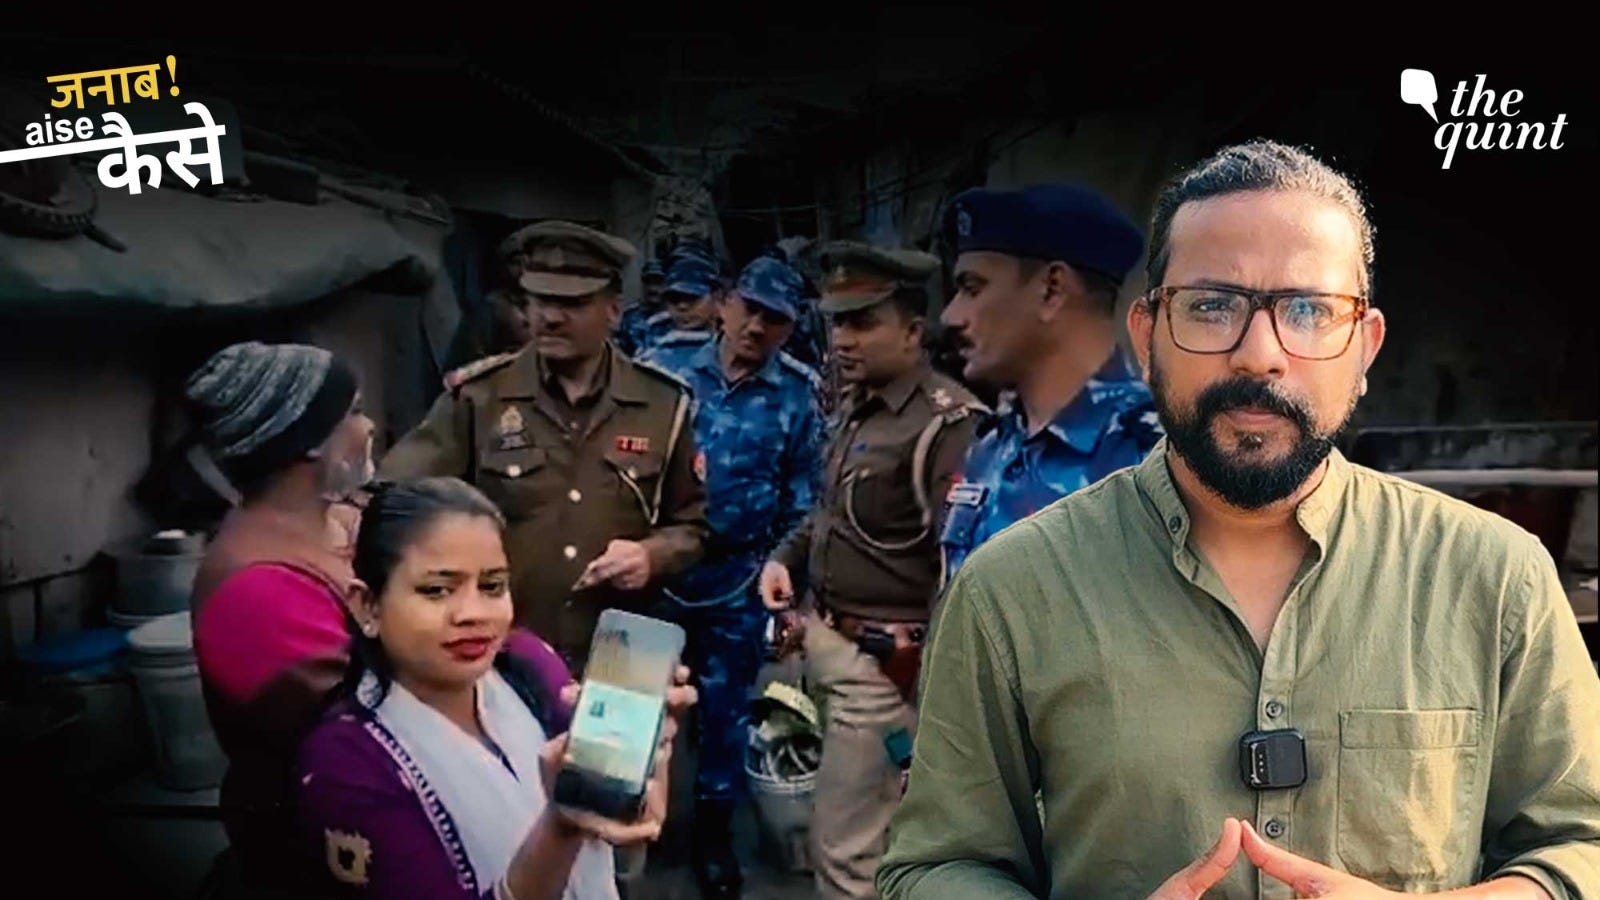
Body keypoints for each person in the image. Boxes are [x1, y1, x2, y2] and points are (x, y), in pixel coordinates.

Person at [880, 141, 1600, 899]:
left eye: (1310, 311)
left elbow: (1581, 844)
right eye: (1211, 306)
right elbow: (935, 865)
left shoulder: (1496, 577)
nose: (1260, 355)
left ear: (1364, 348)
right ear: (1147, 337)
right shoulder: (1011, 589)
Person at [296, 477, 697, 899]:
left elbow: (619, 847)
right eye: (436, 590)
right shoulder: (345, 762)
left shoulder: (527, 664)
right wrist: (559, 828)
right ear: (368, 606)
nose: (473, 613)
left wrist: (640, 767)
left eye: (492, 586)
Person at [379, 221, 709, 672]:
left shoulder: (662, 405)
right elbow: (394, 498)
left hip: (621, 653)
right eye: (539, 300)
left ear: (613, 311)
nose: (549, 317)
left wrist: (651, 555)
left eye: (572, 303)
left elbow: (692, 528)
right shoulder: (480, 398)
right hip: (502, 652)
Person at [758, 242, 983, 900]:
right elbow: (830, 513)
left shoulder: (947, 426)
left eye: (862, 323)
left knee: (849, 854)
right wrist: (784, 558)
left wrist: (939, 703)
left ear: (913, 331)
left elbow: (961, 572)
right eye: (836, 323)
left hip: (887, 673)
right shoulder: (855, 407)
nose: (842, 340)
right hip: (825, 643)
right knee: (829, 821)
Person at [639, 255, 825, 899]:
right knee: (636, 698)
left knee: (724, 714)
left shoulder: (797, 394)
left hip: (739, 579)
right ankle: (623, 818)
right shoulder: (663, 370)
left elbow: (804, 500)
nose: (756, 327)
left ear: (790, 328)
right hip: (657, 571)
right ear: (724, 304)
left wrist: (786, 583)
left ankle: (713, 835)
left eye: (775, 319)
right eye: (750, 309)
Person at [184, 341, 376, 886]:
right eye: (355, 412)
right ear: (309, 442)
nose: (369, 427)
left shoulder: (335, 524)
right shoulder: (256, 591)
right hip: (316, 859)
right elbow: (366, 735)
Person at [937, 183, 1162, 582]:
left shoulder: (1158, 455)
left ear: (1052, 290)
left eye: (973, 288)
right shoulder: (991, 444)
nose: (950, 316)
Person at [444, 229, 538, 372]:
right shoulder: (492, 307)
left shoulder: (540, 304)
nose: (523, 270)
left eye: (530, 264)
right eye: (516, 263)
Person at [656, 254, 723, 339]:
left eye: (692, 298)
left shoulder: (733, 336)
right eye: (674, 299)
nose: (682, 306)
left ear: (716, 297)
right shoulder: (652, 336)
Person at [614, 258, 666, 358]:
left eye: (658, 283)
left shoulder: (674, 317)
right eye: (649, 283)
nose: (653, 289)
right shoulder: (629, 316)